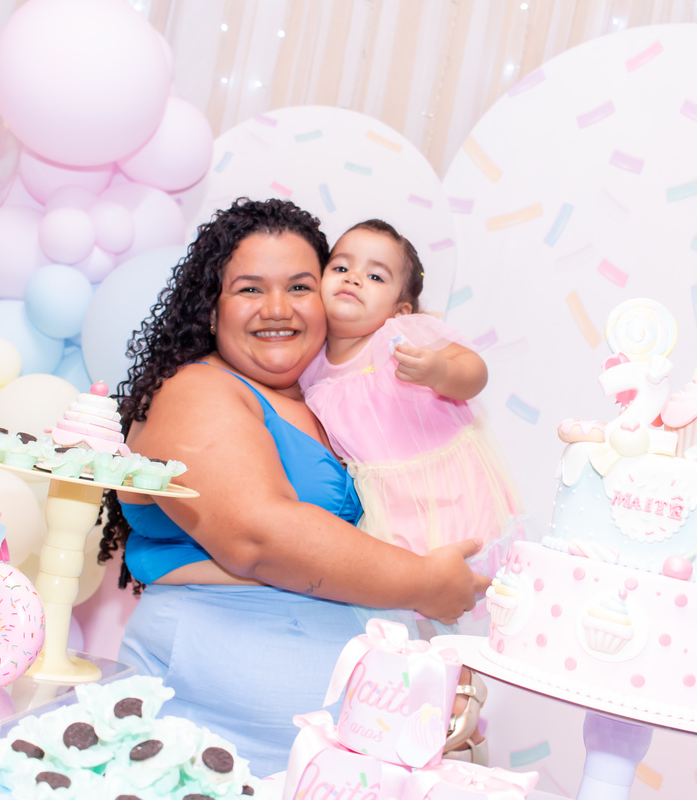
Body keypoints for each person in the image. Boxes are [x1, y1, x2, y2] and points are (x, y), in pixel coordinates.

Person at [98, 198, 489, 776]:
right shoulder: (193, 390)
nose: (277, 309)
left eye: (300, 287)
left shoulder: (336, 404)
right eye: (250, 289)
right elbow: (259, 536)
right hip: (208, 748)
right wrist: (426, 584)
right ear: (211, 308)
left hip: (344, 758)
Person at [301, 219, 524, 574]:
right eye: (341, 268)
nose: (353, 278)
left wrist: (440, 372)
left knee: (471, 571)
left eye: (375, 277)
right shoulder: (309, 363)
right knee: (404, 581)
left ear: (400, 309)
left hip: (447, 486)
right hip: (384, 503)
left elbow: (475, 370)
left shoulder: (399, 336)